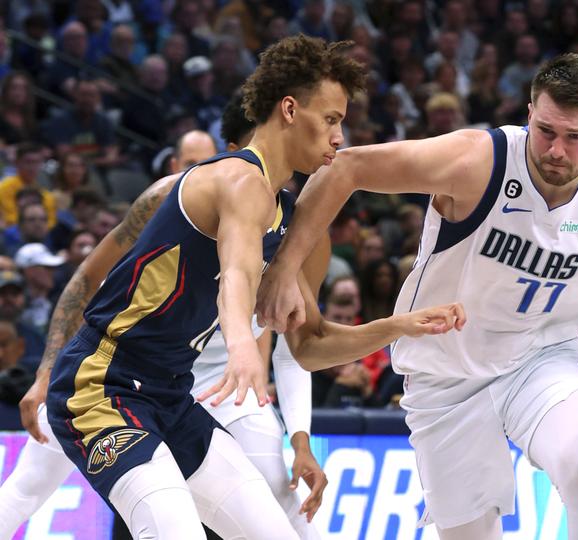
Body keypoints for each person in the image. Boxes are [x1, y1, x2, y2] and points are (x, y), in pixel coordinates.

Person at [258, 53, 578, 540]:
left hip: (542, 359)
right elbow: (345, 169)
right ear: (530, 115)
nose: (556, 150)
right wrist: (283, 268)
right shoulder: (477, 161)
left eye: (575, 137)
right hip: (444, 370)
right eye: (546, 131)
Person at [33, 36, 464, 540]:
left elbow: (309, 346)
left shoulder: (282, 214)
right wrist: (243, 348)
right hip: (100, 382)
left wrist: (400, 327)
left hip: (168, 396)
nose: (339, 137)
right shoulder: (239, 180)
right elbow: (235, 274)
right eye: (331, 119)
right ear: (288, 109)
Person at [2, 124, 325, 539]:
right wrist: (47, 369)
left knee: (275, 516)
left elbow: (297, 342)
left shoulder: (277, 221)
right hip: (102, 369)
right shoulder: (168, 198)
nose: (202, 174)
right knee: (30, 487)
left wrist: (399, 326)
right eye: (192, 165)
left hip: (192, 386)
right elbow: (88, 277)